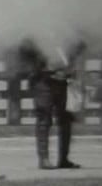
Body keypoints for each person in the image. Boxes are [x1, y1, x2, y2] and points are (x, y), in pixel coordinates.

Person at [17, 39, 85, 170]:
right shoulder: (36, 32)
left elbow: (80, 44)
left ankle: (63, 159)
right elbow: (24, 51)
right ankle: (44, 159)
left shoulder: (67, 31)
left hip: (64, 81)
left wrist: (70, 63)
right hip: (42, 81)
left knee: (66, 119)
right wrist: (42, 67)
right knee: (44, 118)